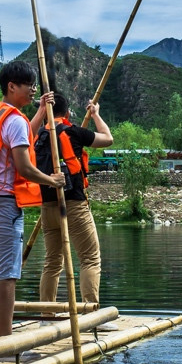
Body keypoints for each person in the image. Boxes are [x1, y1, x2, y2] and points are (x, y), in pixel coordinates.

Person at [0, 61, 66, 340]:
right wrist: (52, 180)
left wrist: (39, 110)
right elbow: (24, 167)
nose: (33, 90)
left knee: (3, 269)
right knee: (9, 275)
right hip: (3, 203)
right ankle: (5, 339)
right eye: (29, 85)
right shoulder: (12, 119)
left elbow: (26, 133)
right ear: (12, 86)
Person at [30, 95, 117, 330]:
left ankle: (46, 317)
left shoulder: (37, 136)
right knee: (90, 258)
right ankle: (91, 316)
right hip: (74, 205)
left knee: (52, 261)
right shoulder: (73, 132)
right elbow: (108, 139)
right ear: (67, 114)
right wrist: (96, 114)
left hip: (47, 207)